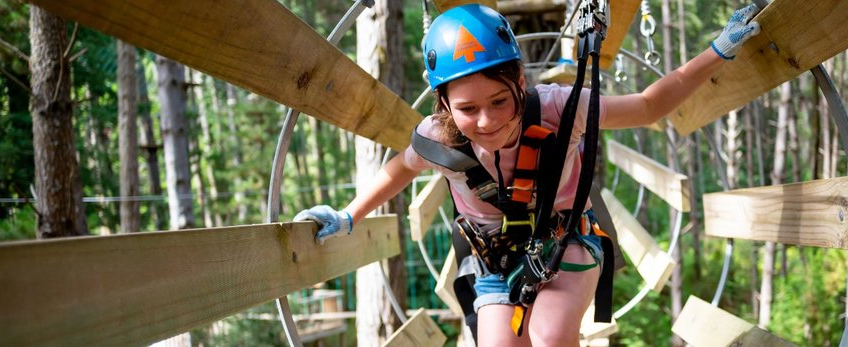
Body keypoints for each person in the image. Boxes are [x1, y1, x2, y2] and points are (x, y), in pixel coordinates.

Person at [295, 3, 760, 346]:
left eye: (500, 101)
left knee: (550, 334)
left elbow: (647, 106)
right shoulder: (438, 138)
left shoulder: (560, 108)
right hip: (496, 264)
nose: (487, 120)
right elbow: (399, 169)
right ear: (443, 105)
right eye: (467, 109)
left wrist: (716, 53)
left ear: (520, 80)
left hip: (568, 242)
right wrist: (350, 215)